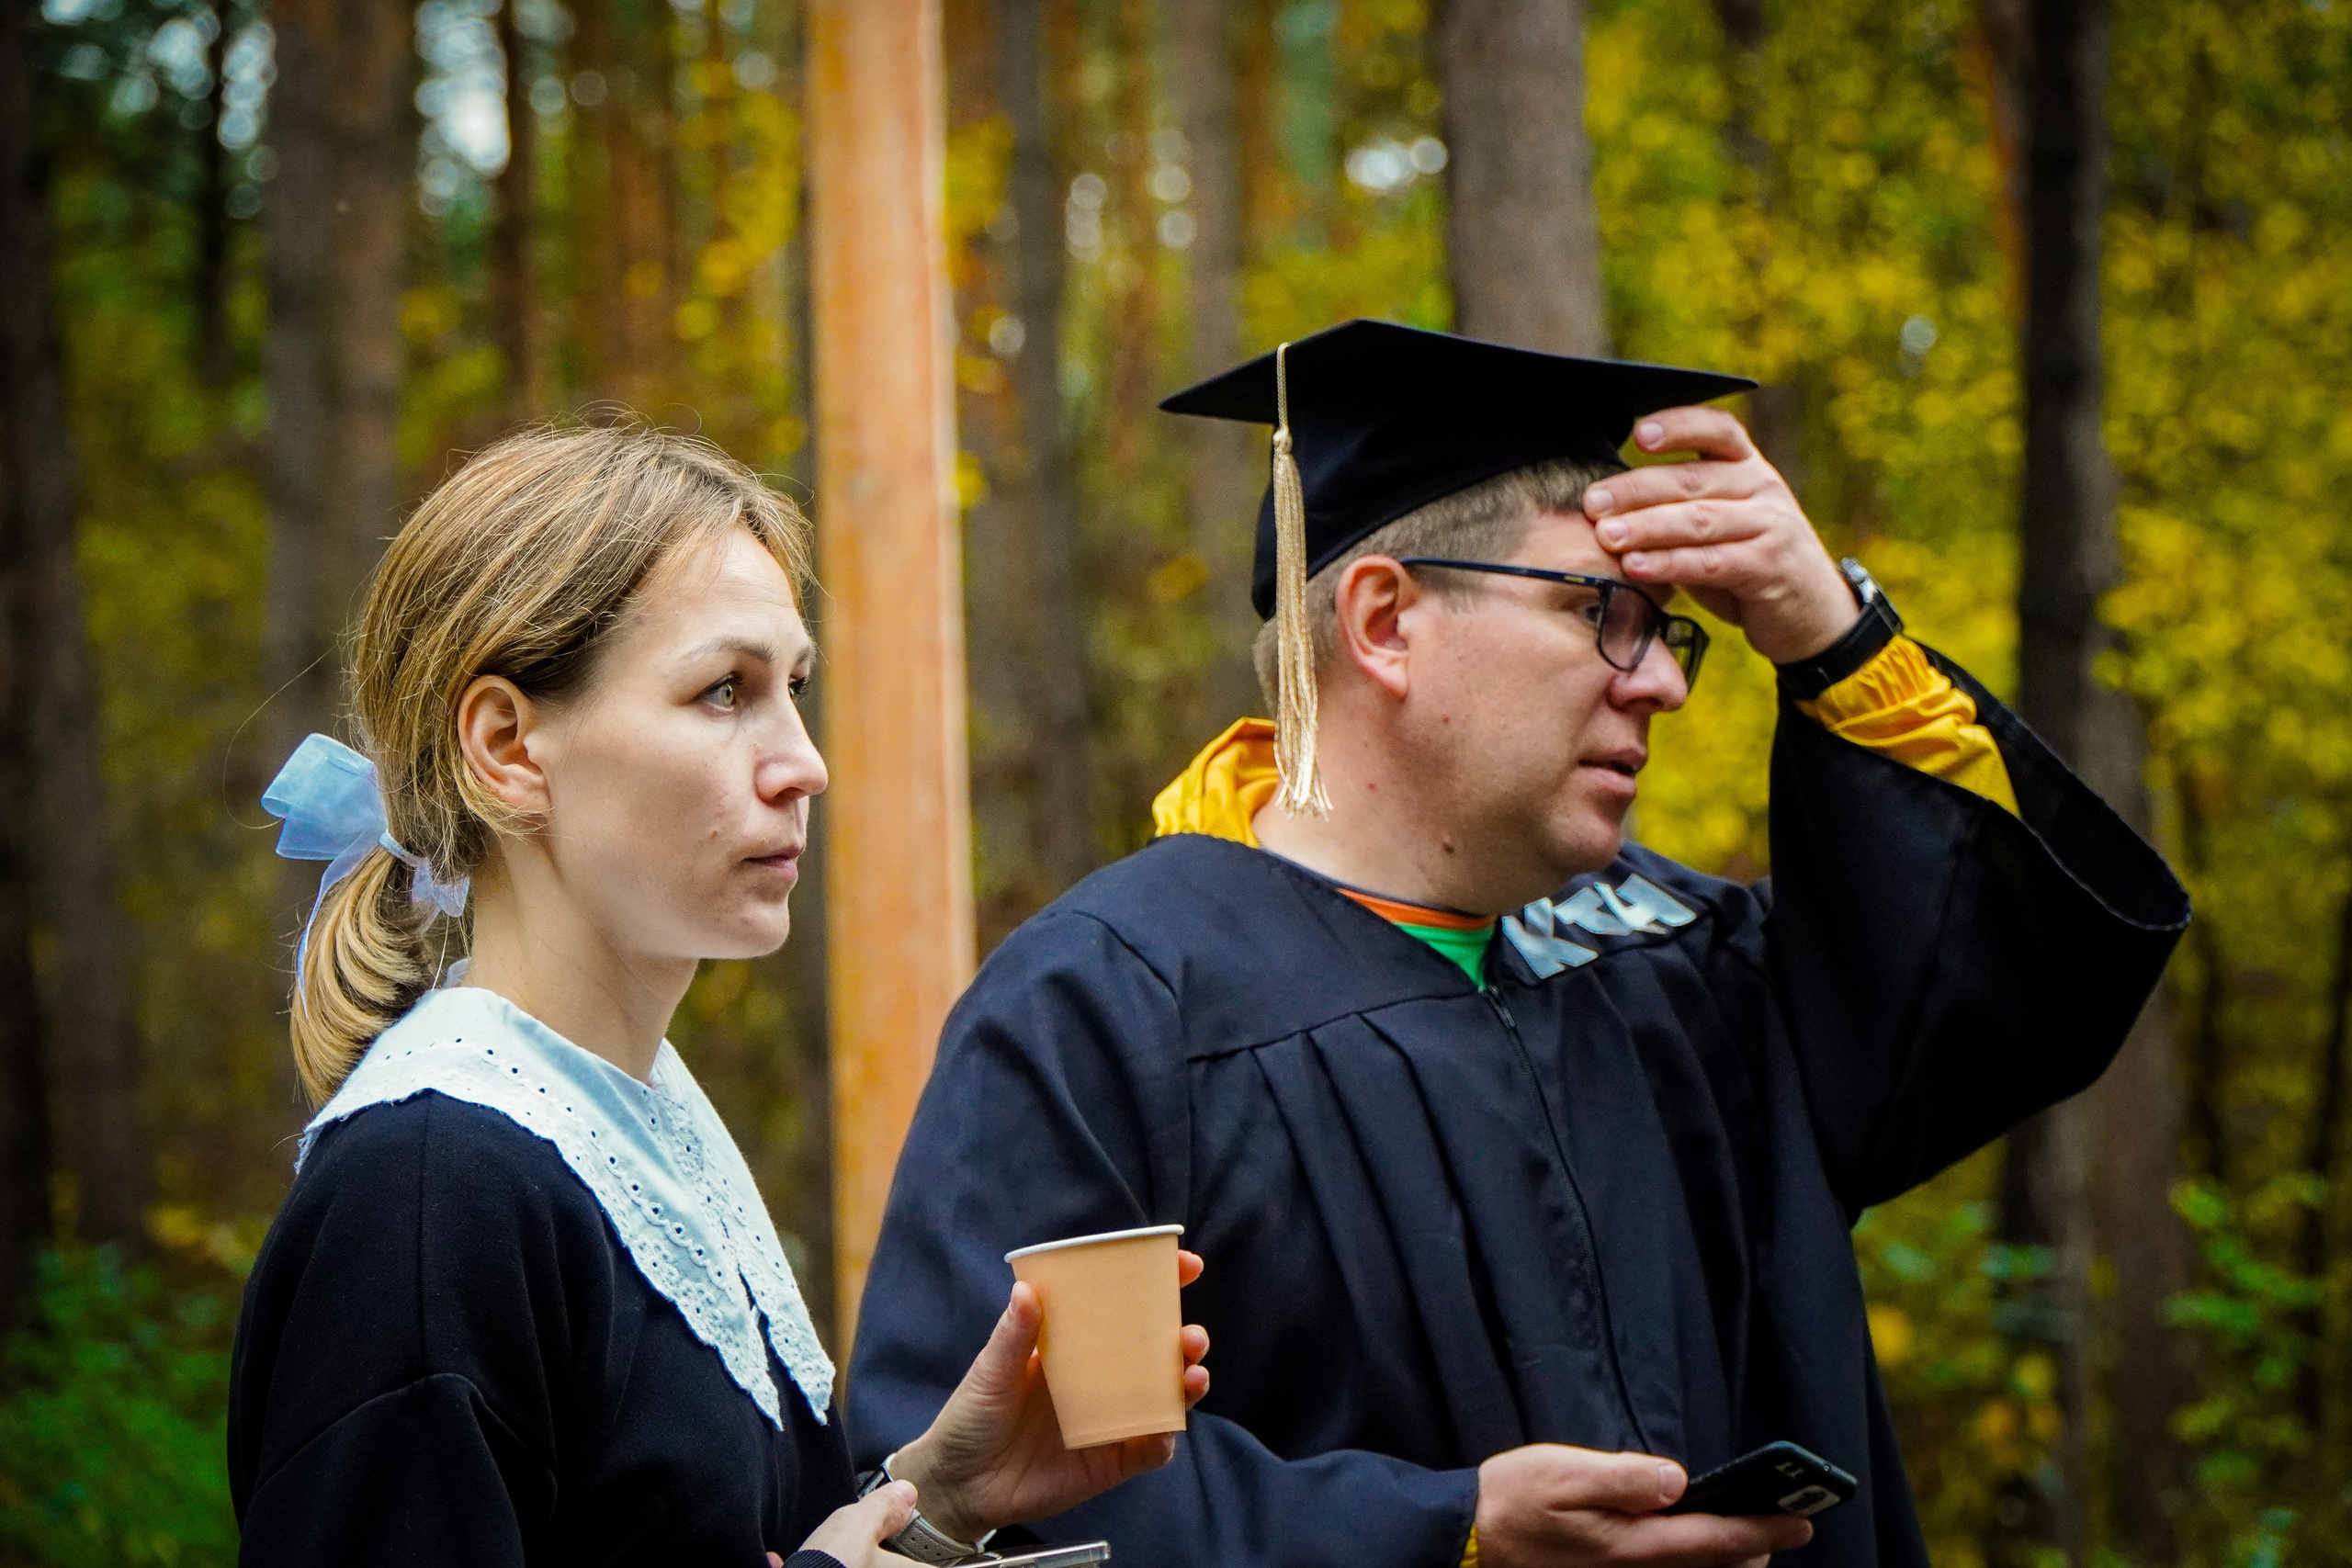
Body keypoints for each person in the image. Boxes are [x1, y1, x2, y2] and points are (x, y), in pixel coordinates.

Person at [845, 321, 2189, 1568]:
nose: (1659, 675)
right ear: (1383, 624)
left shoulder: (1690, 967)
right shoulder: (1119, 1006)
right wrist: (1445, 1529)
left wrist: (1828, 634)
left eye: (1670, 631)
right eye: (1598, 611)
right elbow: (1006, 1494)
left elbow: (2027, 978)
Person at [227, 424, 1211, 1567]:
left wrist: (940, 1494)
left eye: (791, 686)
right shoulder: (431, 1190)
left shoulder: (635, 1128)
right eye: (721, 691)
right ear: (507, 746)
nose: (804, 762)